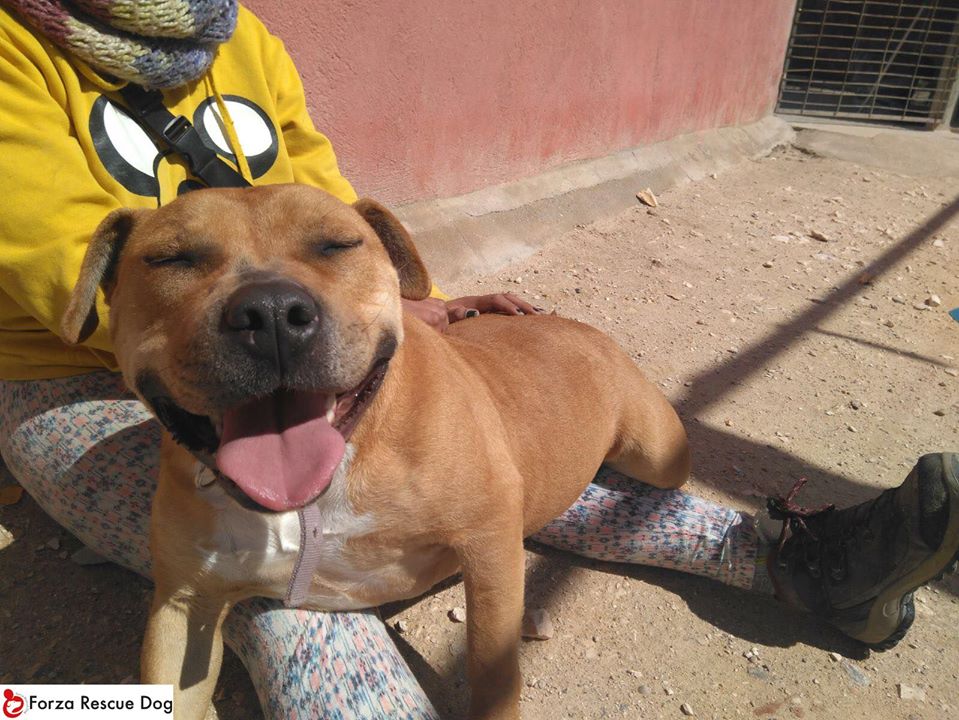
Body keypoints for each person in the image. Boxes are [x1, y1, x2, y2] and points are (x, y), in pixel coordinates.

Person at [0, 2, 956, 717]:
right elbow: (58, 264)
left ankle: (795, 559)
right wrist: (206, 320)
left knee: (494, 476)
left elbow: (322, 202)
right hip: (69, 379)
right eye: (176, 257)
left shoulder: (240, 35)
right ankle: (60, 707)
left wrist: (409, 305)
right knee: (289, 603)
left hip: (301, 365)